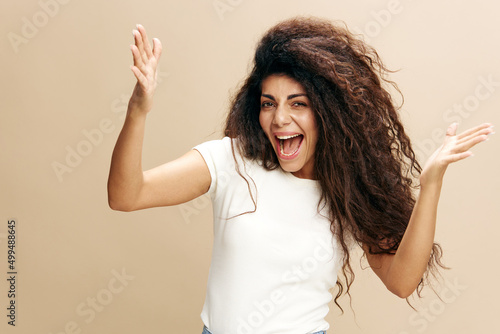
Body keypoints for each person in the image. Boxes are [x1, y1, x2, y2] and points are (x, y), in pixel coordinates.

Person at [107, 16, 494, 334]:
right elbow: (126, 196)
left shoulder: (345, 188)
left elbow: (401, 280)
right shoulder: (231, 161)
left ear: (328, 112)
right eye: (268, 104)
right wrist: (137, 111)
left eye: (298, 104)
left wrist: (431, 185)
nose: (279, 119)